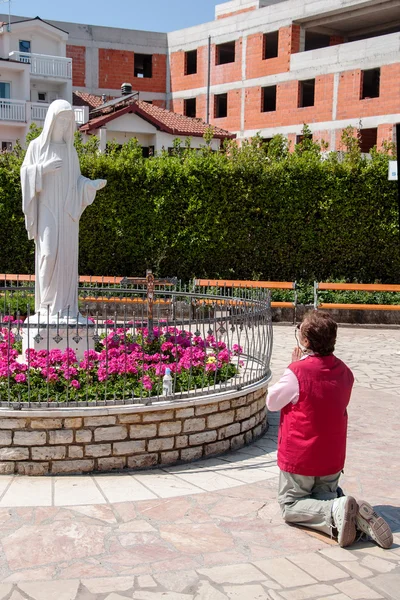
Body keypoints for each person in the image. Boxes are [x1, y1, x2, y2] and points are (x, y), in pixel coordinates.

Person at [267, 311, 393, 549]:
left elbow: (272, 402)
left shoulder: (298, 372)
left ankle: (337, 508)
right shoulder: (345, 372)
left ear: (305, 342)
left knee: (291, 505)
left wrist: (292, 366)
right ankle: (347, 512)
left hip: (301, 456)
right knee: (322, 496)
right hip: (331, 457)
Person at [21, 99, 107, 322]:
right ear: (52, 120)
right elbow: (25, 175)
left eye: (68, 121)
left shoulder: (71, 153)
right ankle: (45, 306)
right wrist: (43, 169)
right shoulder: (36, 147)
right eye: (61, 120)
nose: (64, 125)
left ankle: (66, 306)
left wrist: (89, 185)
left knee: (67, 257)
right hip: (47, 208)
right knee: (47, 254)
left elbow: (76, 181)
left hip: (67, 214)